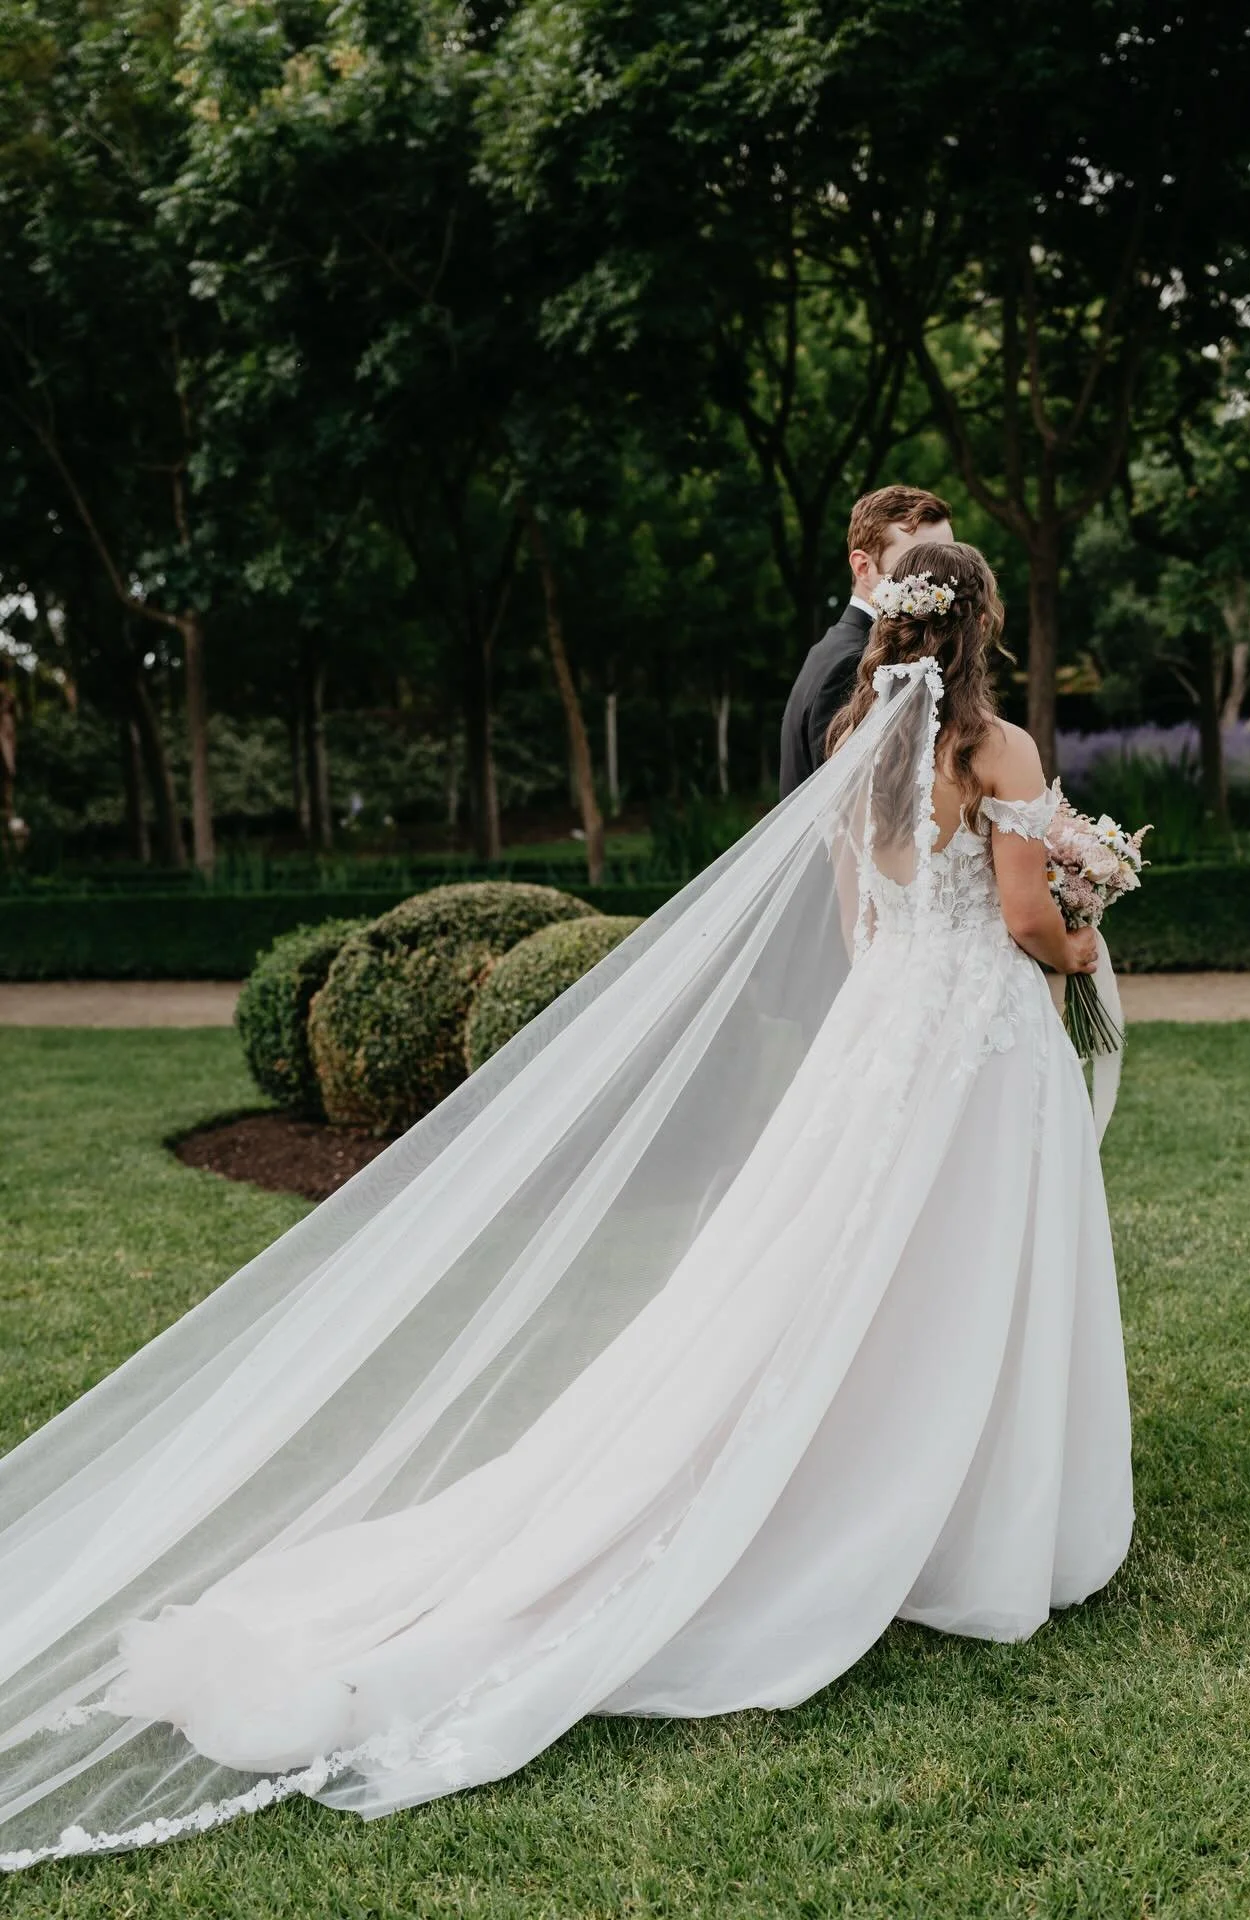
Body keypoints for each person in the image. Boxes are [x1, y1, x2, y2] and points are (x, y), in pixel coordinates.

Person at [0, 542, 1131, 1872]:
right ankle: (953, 1513)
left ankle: (871, 1480)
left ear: (895, 618)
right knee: (960, 1276)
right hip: (978, 1051)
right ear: (987, 627)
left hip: (881, 1040)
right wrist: (1090, 911)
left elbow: (861, 917)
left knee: (826, 1275)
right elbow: (1020, 921)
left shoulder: (851, 737)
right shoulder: (991, 749)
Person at [778, 484, 953, 797]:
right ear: (863, 567)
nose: (944, 579)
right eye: (920, 564)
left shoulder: (844, 646)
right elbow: (841, 810)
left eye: (950, 559)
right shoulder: (853, 662)